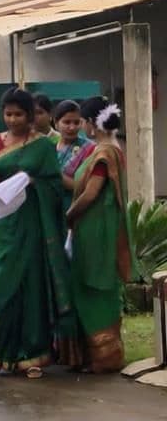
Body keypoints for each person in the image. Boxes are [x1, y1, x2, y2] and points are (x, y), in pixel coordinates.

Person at [0, 87, 75, 379]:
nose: (12, 120)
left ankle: (33, 353)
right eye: (8, 114)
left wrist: (32, 182)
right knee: (2, 285)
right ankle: (3, 351)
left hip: (34, 223)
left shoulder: (42, 147)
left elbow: (55, 187)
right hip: (3, 224)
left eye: (18, 114)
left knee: (31, 285)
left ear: (30, 116)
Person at [67, 97, 134, 373]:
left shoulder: (103, 154)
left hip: (95, 230)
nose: (81, 126)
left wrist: (69, 214)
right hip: (100, 228)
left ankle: (104, 358)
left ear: (92, 123)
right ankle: (104, 356)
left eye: (82, 120)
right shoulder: (111, 149)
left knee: (92, 285)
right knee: (101, 287)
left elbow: (91, 192)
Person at [54, 100, 94, 213]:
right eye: (67, 122)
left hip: (75, 208)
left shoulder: (89, 148)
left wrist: (56, 175)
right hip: (51, 207)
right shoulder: (48, 147)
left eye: (76, 123)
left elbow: (88, 186)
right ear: (56, 123)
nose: (72, 127)